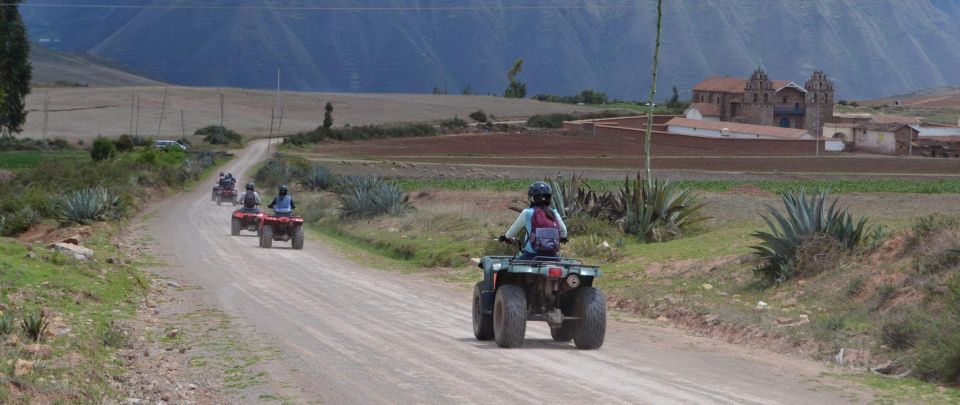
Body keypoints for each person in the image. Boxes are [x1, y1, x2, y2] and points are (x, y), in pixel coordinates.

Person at [500, 181, 568, 261]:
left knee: (511, 268)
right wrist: (563, 237)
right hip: (552, 256)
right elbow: (564, 231)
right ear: (549, 197)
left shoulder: (527, 212)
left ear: (532, 197)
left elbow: (511, 233)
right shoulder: (554, 213)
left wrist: (505, 237)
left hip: (531, 256)